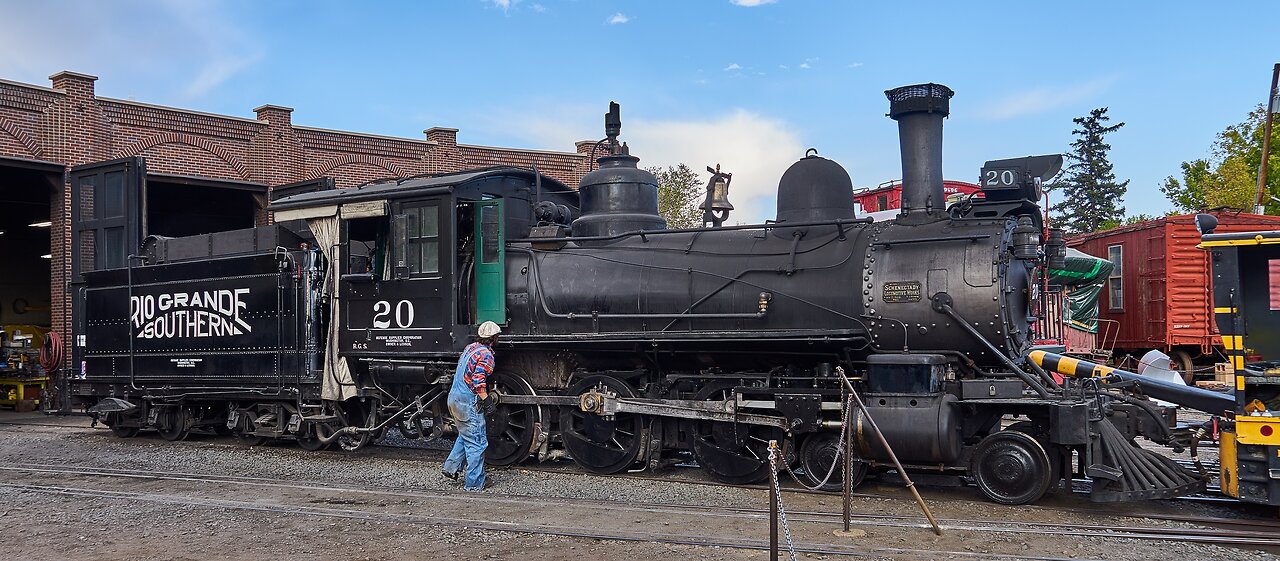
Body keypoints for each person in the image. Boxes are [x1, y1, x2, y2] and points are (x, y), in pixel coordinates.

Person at [441, 321, 501, 490]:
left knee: (466, 434)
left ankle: (451, 467)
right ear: (494, 338)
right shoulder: (487, 355)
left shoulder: (470, 348)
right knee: (477, 442)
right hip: (467, 402)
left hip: (454, 398)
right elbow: (478, 381)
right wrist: (488, 401)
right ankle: (474, 484)